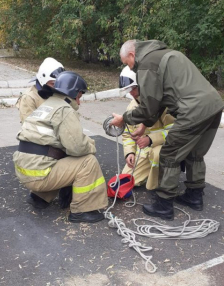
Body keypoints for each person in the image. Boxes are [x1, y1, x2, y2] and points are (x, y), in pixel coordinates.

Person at [111, 39, 223, 219]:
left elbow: (149, 107)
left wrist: (124, 119)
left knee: (170, 154)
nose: (130, 68)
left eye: (127, 63)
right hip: (214, 105)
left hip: (192, 110)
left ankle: (163, 205)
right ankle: (194, 197)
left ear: (132, 55)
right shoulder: (167, 54)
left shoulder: (146, 64)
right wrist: (143, 127)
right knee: (194, 152)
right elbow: (160, 101)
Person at [13, 71, 108, 223]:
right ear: (73, 93)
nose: (80, 102)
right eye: (79, 97)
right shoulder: (64, 110)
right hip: (38, 174)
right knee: (87, 161)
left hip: (25, 169)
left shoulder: (47, 105)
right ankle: (82, 210)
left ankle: (40, 198)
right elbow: (77, 147)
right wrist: (91, 145)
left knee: (58, 157)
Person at [119, 66, 174, 189]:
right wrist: (130, 153)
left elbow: (174, 131)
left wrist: (150, 139)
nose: (130, 92)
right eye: (127, 89)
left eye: (132, 88)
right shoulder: (132, 107)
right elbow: (127, 134)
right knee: (126, 180)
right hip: (143, 152)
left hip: (161, 148)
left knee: (157, 154)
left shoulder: (162, 104)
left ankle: (158, 185)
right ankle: (150, 174)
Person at [16, 57, 65, 123]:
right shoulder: (29, 97)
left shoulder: (59, 93)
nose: (57, 87)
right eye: (53, 83)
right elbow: (29, 126)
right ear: (43, 80)